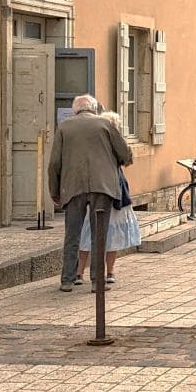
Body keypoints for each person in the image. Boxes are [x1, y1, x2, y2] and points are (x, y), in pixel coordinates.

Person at [48, 94, 133, 293]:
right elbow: (124, 152)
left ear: (75, 109)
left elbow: (54, 163)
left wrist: (54, 190)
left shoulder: (64, 127)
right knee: (99, 235)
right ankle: (97, 282)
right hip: (102, 186)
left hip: (72, 186)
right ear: (93, 108)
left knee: (72, 234)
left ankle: (67, 280)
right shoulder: (105, 125)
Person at [73, 111, 142, 287]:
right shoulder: (108, 142)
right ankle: (102, 272)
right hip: (106, 190)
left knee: (94, 232)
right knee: (102, 234)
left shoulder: (94, 142)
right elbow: (126, 158)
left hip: (100, 190)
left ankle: (84, 272)